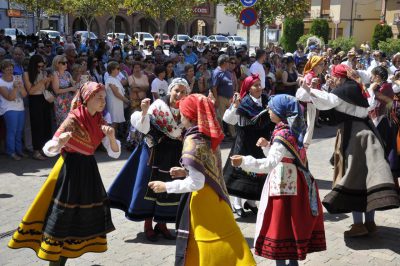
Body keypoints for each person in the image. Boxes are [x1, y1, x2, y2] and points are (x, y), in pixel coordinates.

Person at [8, 82, 121, 265]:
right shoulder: (73, 119)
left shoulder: (100, 120)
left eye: (104, 98)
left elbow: (114, 153)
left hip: (88, 172)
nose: (103, 101)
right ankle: (55, 261)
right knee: (61, 219)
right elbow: (48, 149)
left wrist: (111, 137)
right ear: (87, 98)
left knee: (76, 221)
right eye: (98, 97)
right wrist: (60, 142)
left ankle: (63, 258)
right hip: (68, 170)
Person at [148, 93, 256, 266]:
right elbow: (206, 169)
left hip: (203, 202)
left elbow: (196, 183)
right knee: (227, 241)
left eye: (182, 113)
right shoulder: (207, 135)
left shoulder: (192, 141)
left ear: (190, 116)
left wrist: (166, 186)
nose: (179, 116)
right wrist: (185, 171)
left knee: (206, 245)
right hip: (216, 197)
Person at [299, 64, 400, 237]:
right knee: (368, 178)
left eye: (334, 77)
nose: (332, 79)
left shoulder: (343, 91)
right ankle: (370, 222)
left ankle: (359, 225)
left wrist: (308, 89)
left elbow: (327, 102)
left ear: (339, 77)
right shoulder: (356, 88)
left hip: (354, 136)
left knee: (353, 177)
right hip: (368, 133)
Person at [230, 94, 326, 265]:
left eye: (271, 109)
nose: (268, 111)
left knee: (280, 225)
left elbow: (269, 164)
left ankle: (282, 261)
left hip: (282, 185)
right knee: (292, 222)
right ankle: (293, 261)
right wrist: (268, 145)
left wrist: (243, 161)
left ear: (281, 112)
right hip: (294, 182)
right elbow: (283, 156)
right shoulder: (291, 129)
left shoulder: (282, 134)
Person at [108, 78, 189, 242]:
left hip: (174, 153)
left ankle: (162, 224)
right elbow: (143, 127)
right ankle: (147, 224)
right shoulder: (158, 106)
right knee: (149, 187)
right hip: (154, 153)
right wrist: (144, 112)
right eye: (176, 91)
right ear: (170, 91)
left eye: (183, 92)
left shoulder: (187, 109)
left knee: (168, 188)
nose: (179, 94)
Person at [223, 74, 272, 217]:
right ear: (248, 88)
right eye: (255, 85)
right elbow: (228, 120)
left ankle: (251, 203)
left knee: (257, 171)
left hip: (260, 142)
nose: (258, 88)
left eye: (259, 84)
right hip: (244, 142)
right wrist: (234, 107)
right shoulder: (242, 102)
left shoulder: (266, 100)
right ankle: (236, 204)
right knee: (241, 173)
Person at [23, 55, 52, 160]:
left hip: (44, 99)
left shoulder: (43, 72)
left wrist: (48, 80)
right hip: (34, 100)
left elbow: (45, 87)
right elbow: (30, 91)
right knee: (37, 126)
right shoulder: (26, 74)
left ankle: (43, 149)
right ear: (34, 65)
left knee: (45, 125)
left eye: (42, 66)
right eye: (38, 67)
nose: (41, 68)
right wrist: (42, 82)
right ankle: (36, 151)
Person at [0, 59, 27, 160]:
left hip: (20, 108)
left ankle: (19, 151)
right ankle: (11, 152)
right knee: (12, 131)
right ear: (2, 70)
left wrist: (20, 87)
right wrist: (15, 88)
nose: (10, 71)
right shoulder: (0, 82)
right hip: (8, 109)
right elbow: (10, 97)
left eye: (11, 69)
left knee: (19, 131)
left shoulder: (17, 77)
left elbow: (24, 95)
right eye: (7, 69)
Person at [297, 55, 324, 148]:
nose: (323, 66)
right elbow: (307, 93)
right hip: (307, 106)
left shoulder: (314, 75)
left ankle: (303, 148)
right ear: (315, 65)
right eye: (321, 64)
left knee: (309, 128)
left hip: (311, 105)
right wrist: (312, 86)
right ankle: (303, 149)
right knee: (308, 129)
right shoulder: (310, 76)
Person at [105, 61, 129, 138]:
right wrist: (127, 101)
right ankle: (109, 141)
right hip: (113, 104)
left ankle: (113, 140)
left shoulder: (115, 79)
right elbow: (116, 93)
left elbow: (121, 92)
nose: (119, 70)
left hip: (118, 103)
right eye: (117, 68)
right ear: (112, 70)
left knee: (115, 123)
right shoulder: (110, 79)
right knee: (113, 122)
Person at [51, 55, 77, 126]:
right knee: (63, 124)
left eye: (66, 62)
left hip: (69, 100)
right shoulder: (55, 74)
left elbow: (74, 84)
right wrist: (70, 88)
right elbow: (56, 90)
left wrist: (82, 79)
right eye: (63, 63)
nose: (66, 64)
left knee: (71, 122)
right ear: (57, 64)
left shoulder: (67, 74)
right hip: (60, 102)